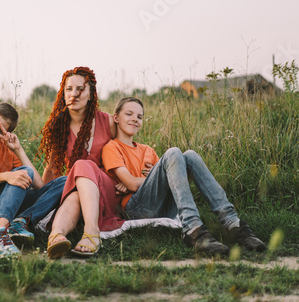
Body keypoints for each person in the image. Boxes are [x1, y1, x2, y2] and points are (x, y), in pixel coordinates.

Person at [102, 97, 266, 255]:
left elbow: (167, 179)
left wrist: (146, 179)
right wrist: (141, 181)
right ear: (116, 117)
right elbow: (130, 184)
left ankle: (233, 224)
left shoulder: (147, 150)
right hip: (137, 208)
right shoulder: (112, 147)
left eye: (139, 116)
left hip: (162, 207)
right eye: (129, 114)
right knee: (173, 152)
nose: (135, 119)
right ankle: (193, 229)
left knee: (190, 156)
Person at [38, 66, 124, 259]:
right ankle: (56, 235)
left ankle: (92, 232)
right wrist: (42, 200)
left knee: (82, 165)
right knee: (75, 192)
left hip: (108, 189)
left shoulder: (109, 122)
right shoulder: (59, 127)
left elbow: (127, 152)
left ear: (91, 94)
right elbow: (52, 169)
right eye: (69, 89)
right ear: (62, 93)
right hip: (77, 188)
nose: (74, 94)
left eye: (80, 89)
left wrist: (132, 179)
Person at [0, 102, 66, 258]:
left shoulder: (7, 149)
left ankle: (20, 222)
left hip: (10, 202)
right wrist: (8, 176)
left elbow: (39, 185)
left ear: (6, 133)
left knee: (65, 181)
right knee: (23, 173)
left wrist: (18, 150)